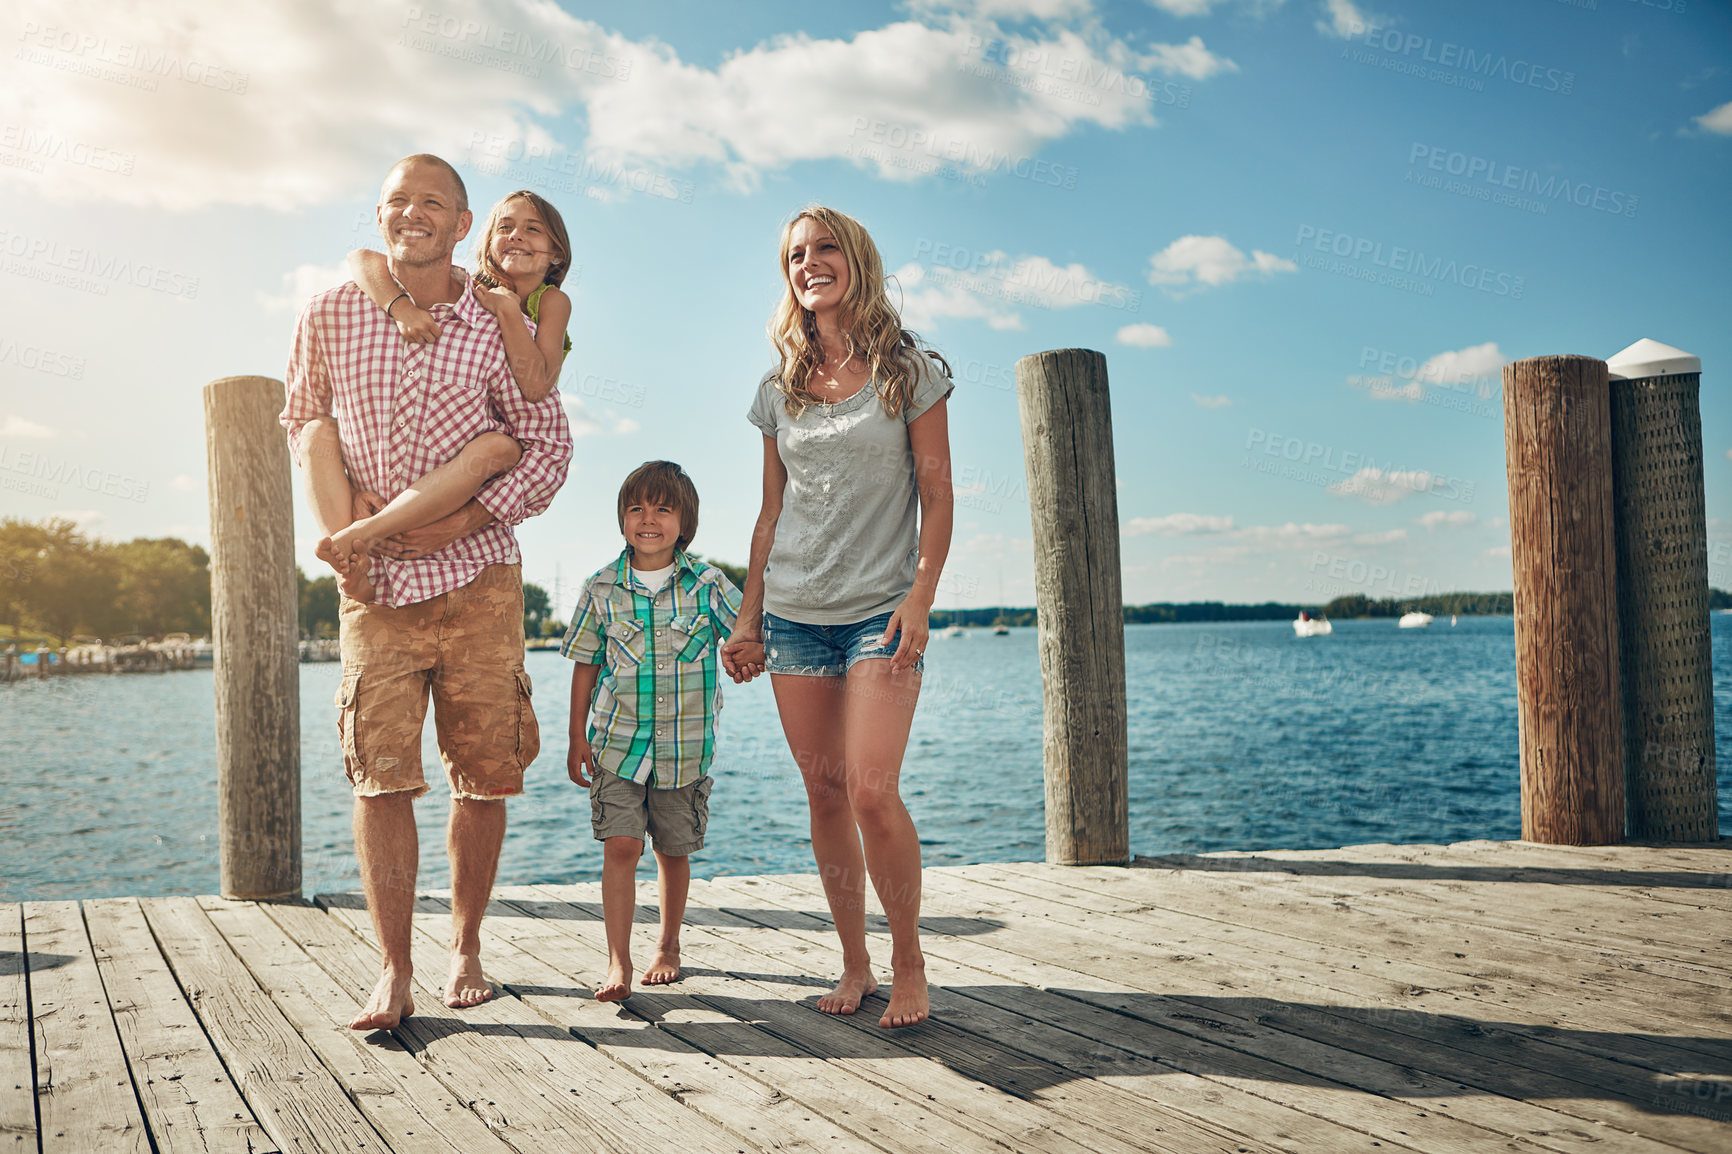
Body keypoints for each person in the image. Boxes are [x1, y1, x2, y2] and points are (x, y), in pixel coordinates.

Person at [280, 153, 574, 1032]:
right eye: (400, 200)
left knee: (484, 780)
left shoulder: (500, 319)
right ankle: (395, 969)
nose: (415, 213)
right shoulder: (330, 311)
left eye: (434, 203)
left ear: (461, 222)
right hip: (374, 587)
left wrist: (463, 522)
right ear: (380, 214)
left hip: (479, 579)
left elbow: (546, 446)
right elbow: (302, 420)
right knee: (380, 780)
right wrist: (348, 515)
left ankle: (468, 944)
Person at [719, 206, 954, 1029]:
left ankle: (910, 962)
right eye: (794, 254)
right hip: (792, 617)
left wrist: (920, 596)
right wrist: (748, 619)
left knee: (871, 790)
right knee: (823, 793)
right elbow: (767, 513)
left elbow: (939, 494)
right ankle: (854, 963)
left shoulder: (911, 370)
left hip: (879, 617)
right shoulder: (776, 386)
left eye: (823, 248)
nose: (809, 262)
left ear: (854, 257)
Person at [307, 189, 575, 601]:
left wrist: (507, 312)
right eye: (505, 227)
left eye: (533, 229)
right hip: (420, 484)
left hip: (496, 445)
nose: (517, 236)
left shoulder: (550, 301)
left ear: (556, 254)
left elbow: (537, 385)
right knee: (314, 433)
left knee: (499, 448)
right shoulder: (471, 287)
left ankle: (363, 536)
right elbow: (361, 259)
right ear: (485, 241)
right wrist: (400, 308)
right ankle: (352, 556)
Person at [562, 461, 764, 1002]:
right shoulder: (600, 588)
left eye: (662, 509)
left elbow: (744, 633)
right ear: (622, 519)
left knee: (673, 851)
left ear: (684, 522)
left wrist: (745, 654)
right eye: (636, 508)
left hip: (686, 747)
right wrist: (576, 735)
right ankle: (617, 962)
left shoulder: (708, 584)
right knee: (621, 845)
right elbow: (585, 663)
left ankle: (669, 945)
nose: (648, 519)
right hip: (616, 744)